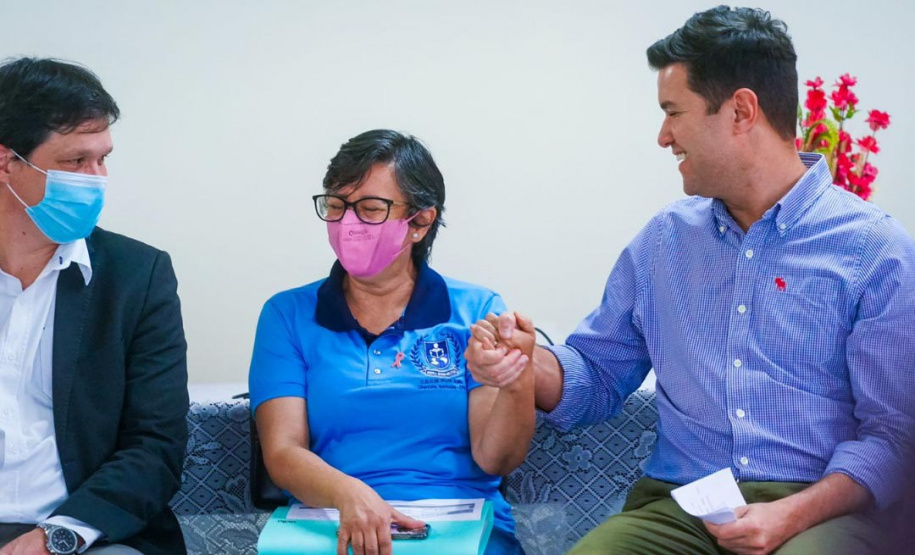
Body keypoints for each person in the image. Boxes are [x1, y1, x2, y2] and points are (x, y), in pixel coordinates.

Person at [466, 6, 915, 555]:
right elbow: (598, 375)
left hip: (820, 514)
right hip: (682, 513)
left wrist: (789, 515)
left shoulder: (875, 250)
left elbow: (894, 435)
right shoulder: (665, 242)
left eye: (673, 112)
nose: (662, 136)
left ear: (741, 111)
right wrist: (525, 357)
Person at [248, 129, 534, 555]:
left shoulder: (476, 309)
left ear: (420, 221)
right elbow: (283, 452)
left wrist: (514, 379)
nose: (348, 223)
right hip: (335, 520)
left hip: (455, 525)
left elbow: (497, 459)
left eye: (370, 209)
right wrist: (349, 495)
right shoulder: (287, 315)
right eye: (336, 206)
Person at [0, 58, 189, 555]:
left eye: (102, 159)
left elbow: (155, 447)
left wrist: (54, 538)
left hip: (88, 534)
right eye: (74, 162)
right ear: (6, 163)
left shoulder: (137, 277)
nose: (96, 179)